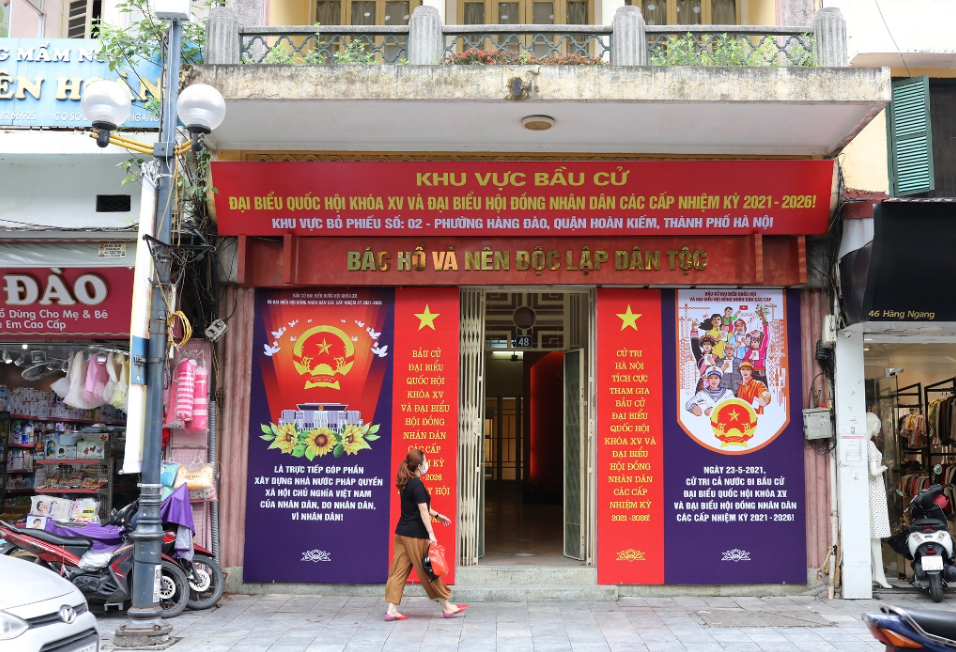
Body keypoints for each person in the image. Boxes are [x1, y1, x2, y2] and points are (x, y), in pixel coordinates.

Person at [385, 448, 467, 621]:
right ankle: (447, 607)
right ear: (420, 466)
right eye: (426, 461)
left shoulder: (407, 481)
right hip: (415, 535)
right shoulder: (418, 484)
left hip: (401, 533)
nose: (428, 464)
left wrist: (437, 515)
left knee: (397, 572)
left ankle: (391, 610)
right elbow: (422, 510)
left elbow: (420, 507)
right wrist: (431, 533)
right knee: (430, 569)